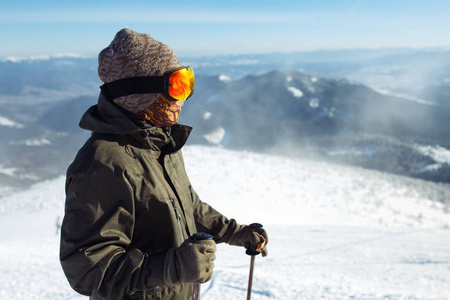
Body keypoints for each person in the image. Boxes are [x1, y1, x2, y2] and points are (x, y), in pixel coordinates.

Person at [59, 28, 268, 300]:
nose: (183, 99)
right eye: (176, 85)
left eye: (187, 83)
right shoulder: (103, 163)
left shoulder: (159, 143)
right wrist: (172, 268)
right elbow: (88, 271)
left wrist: (237, 233)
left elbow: (188, 207)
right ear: (139, 94)